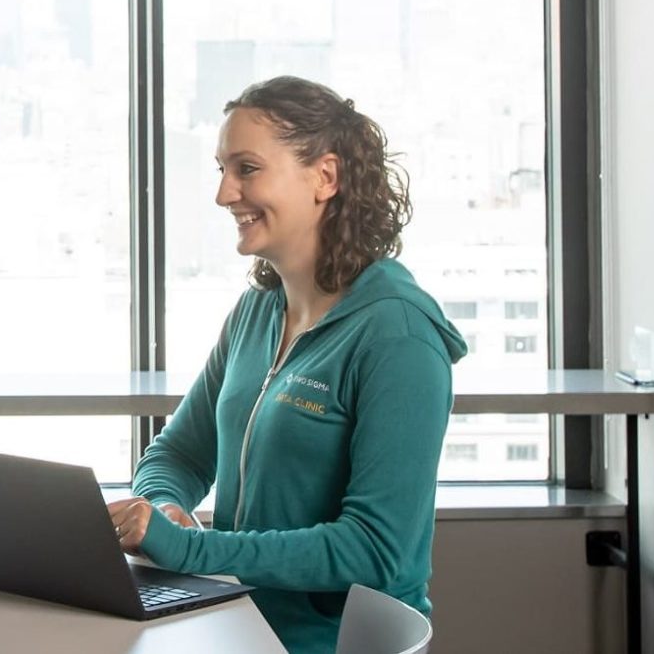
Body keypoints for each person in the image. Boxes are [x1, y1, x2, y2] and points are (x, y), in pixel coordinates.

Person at [106, 77, 466, 654]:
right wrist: (164, 504)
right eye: (222, 170)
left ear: (325, 177)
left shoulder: (397, 336)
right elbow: (177, 454)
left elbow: (376, 550)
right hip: (234, 624)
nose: (225, 194)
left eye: (247, 169)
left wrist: (192, 551)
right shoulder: (258, 312)